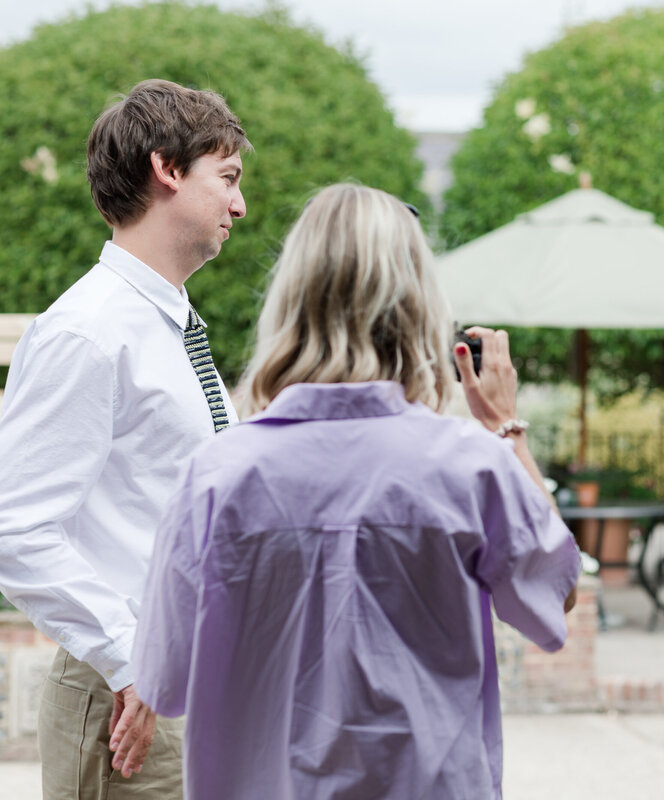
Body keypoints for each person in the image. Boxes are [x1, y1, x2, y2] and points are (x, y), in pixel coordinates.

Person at [131, 183, 582, 800]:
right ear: (418, 302)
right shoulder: (471, 467)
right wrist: (508, 429)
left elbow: (164, 680)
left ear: (290, 298)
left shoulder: (216, 475)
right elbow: (555, 597)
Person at [0, 79, 248, 796]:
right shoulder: (88, 332)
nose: (240, 205)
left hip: (189, 677)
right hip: (129, 694)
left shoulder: (166, 326)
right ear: (167, 169)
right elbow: (15, 525)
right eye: (227, 179)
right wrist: (130, 659)